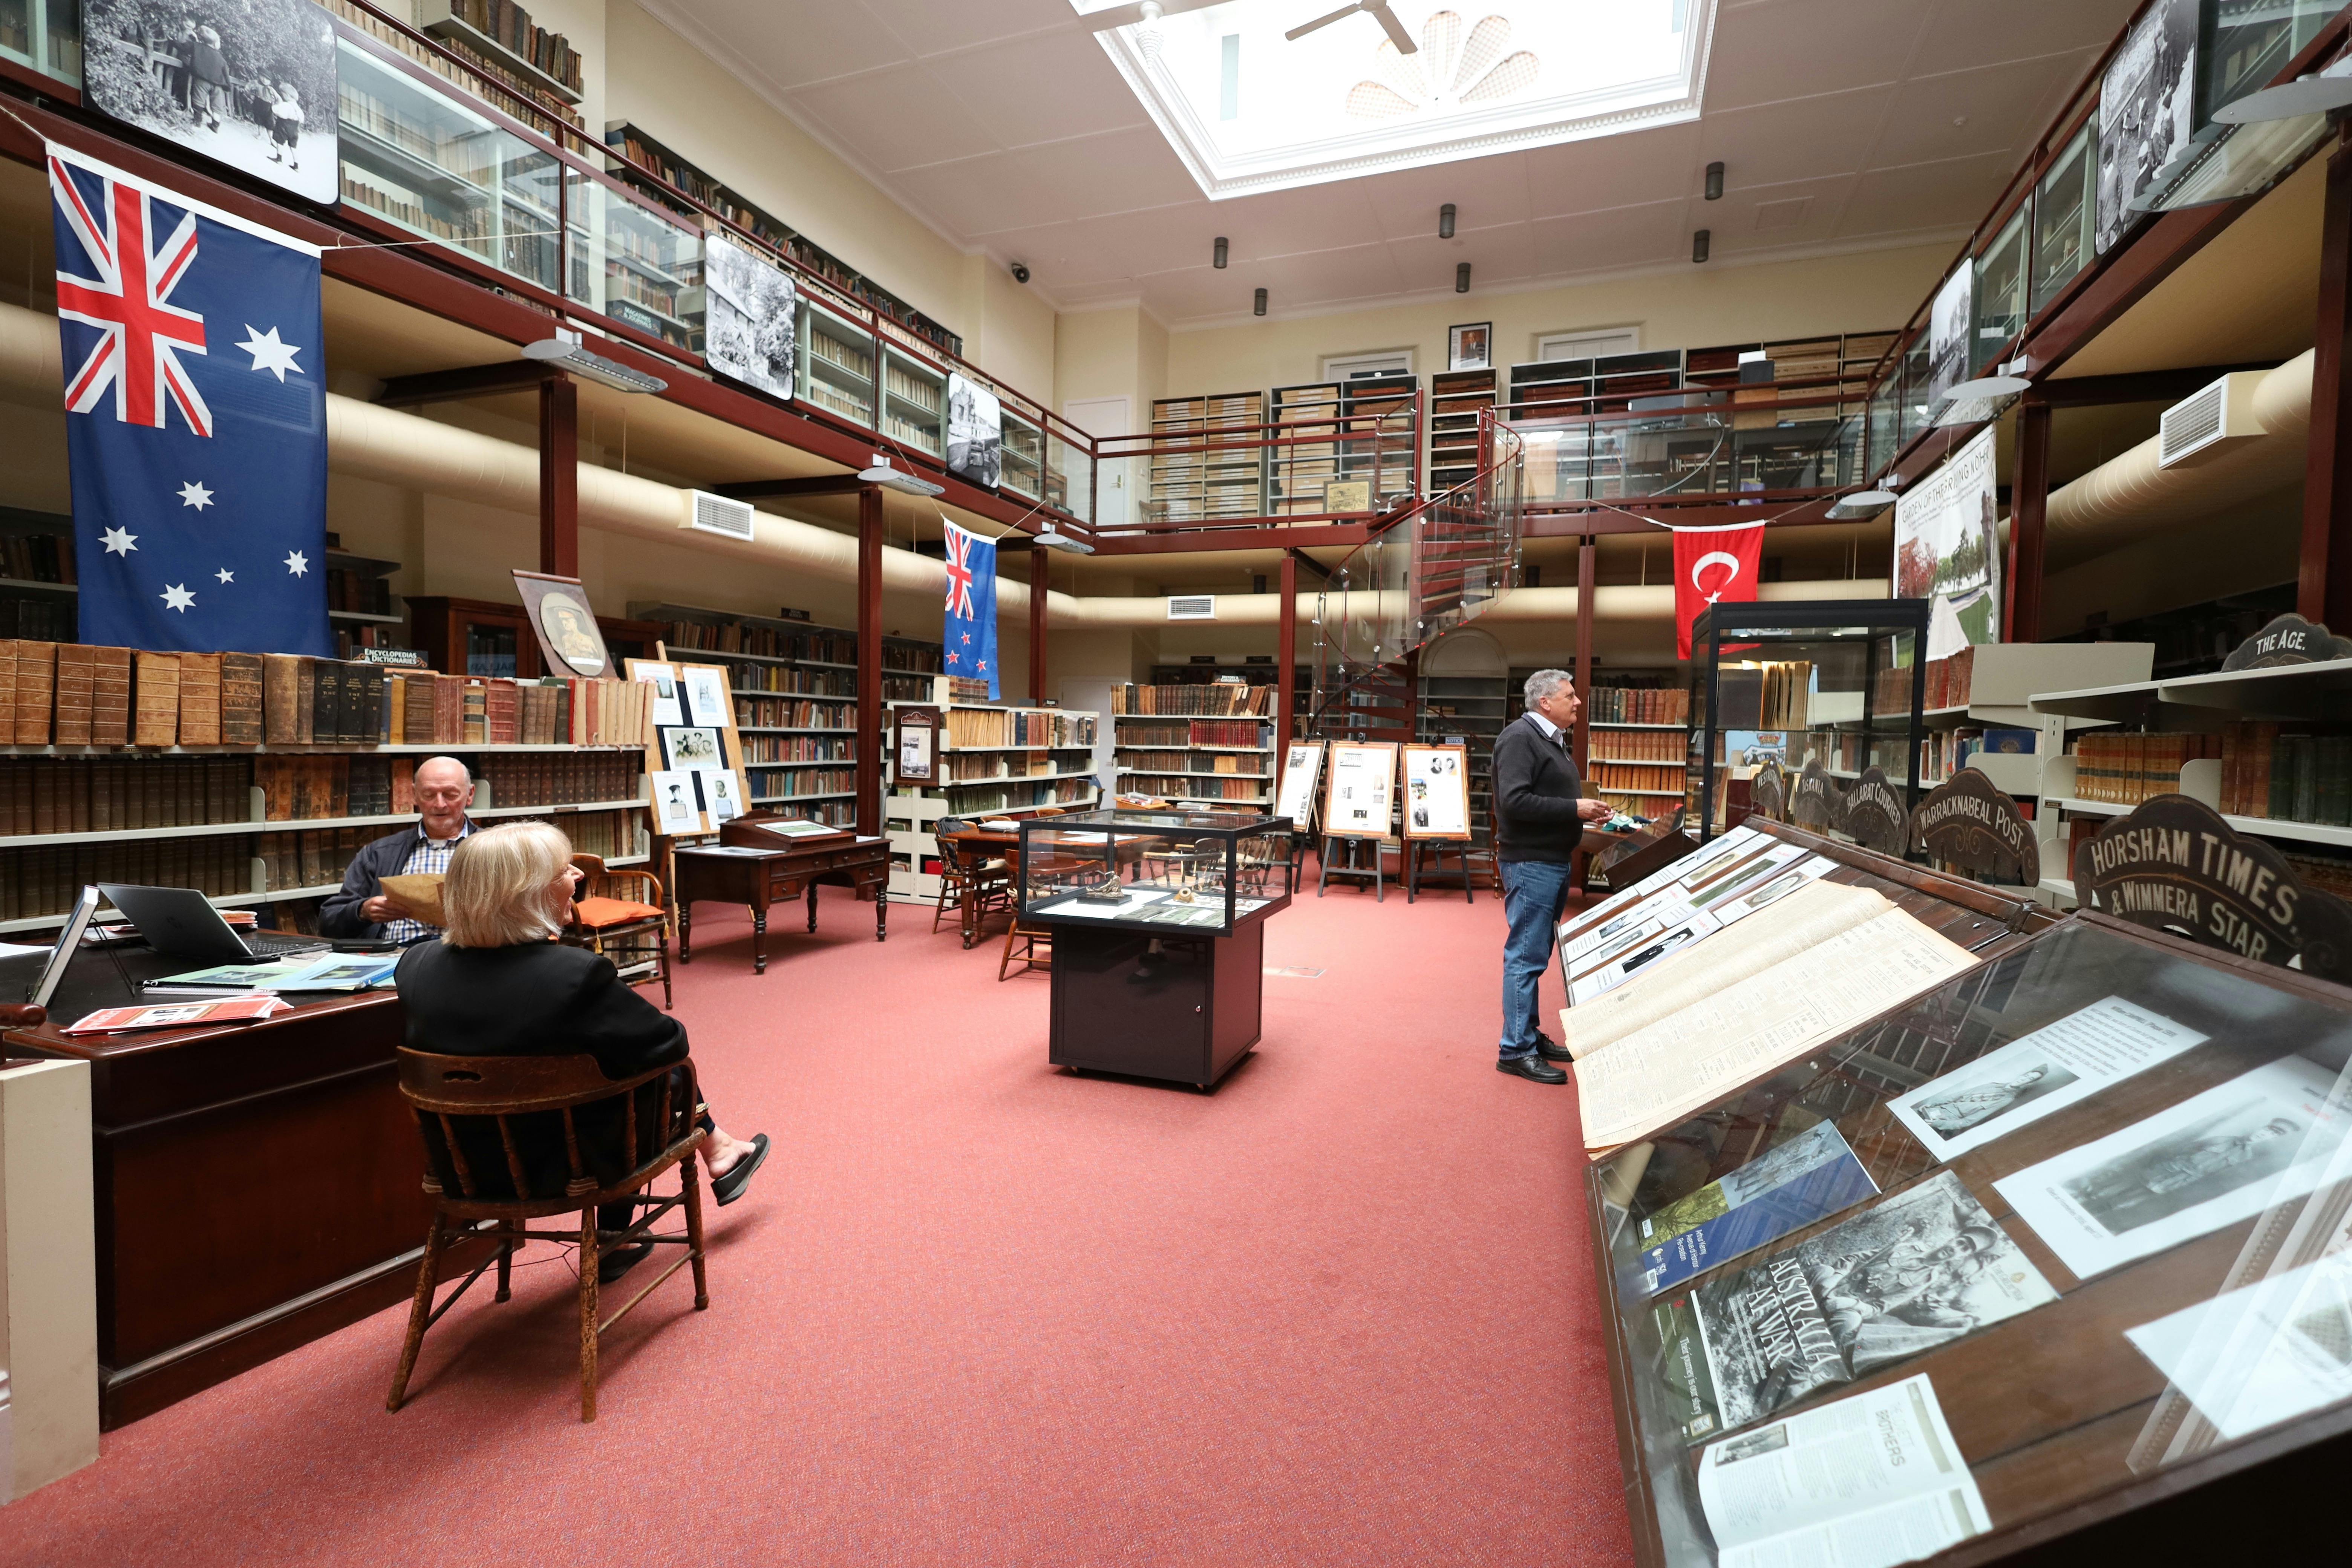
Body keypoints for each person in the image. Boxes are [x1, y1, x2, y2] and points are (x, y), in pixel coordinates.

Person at [396, 822, 768, 1284]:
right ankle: (638, 1218)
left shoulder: (415, 964)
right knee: (656, 1073)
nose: (576, 874)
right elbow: (670, 1042)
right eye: (563, 870)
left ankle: (716, 1154)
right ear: (528, 892)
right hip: (570, 1165)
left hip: (466, 1164)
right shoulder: (574, 974)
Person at [1489, 669, 1611, 1084]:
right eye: (1570, 695)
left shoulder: (1549, 741)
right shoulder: (1520, 739)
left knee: (1535, 953)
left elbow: (1545, 798)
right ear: (1545, 702)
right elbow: (1515, 801)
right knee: (1525, 956)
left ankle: (1528, 1034)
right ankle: (1515, 1049)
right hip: (1532, 862)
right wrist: (1574, 809)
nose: (1577, 702)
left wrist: (1583, 810)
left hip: (1550, 860)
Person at [321, 755, 481, 941]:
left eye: (451, 794)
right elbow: (328, 921)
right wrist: (363, 911)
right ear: (414, 795)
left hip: (467, 954)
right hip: (395, 955)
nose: (440, 804)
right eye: (429, 795)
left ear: (470, 795)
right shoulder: (379, 853)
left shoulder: (496, 850)